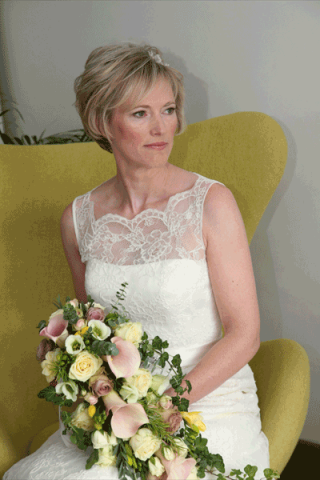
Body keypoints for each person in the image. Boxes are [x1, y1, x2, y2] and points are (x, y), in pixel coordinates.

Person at [3, 43, 270, 480]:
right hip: (119, 409)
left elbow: (245, 333)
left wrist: (173, 403)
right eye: (140, 113)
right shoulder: (77, 219)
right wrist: (101, 395)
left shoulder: (211, 203)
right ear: (101, 122)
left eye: (168, 109)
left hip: (207, 400)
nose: (162, 127)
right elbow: (91, 327)